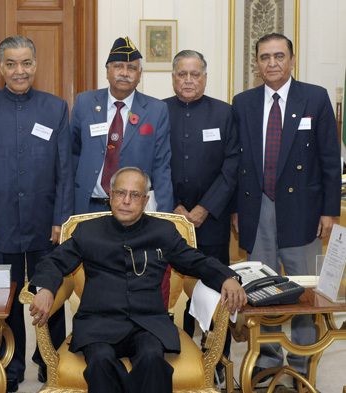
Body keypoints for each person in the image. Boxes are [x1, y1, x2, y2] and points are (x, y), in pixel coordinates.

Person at [29, 167, 247, 393]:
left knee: (152, 358)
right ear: (111, 196)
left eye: (135, 195)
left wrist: (227, 278)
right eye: (121, 193)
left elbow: (196, 261)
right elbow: (54, 261)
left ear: (145, 201)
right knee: (100, 361)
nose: (126, 201)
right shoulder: (88, 231)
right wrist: (45, 288)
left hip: (148, 323)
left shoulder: (163, 231)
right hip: (99, 323)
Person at [0, 35, 74, 392]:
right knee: (3, 300)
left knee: (49, 296)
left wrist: (62, 218)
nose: (19, 70)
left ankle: (49, 363)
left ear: (35, 65)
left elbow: (64, 169)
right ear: (0, 67)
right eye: (11, 63)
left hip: (46, 221)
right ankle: (8, 371)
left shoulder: (55, 107)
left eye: (26, 63)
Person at [232, 33, 341, 382]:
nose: (272, 63)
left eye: (279, 56)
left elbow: (329, 159)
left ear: (292, 60)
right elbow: (236, 162)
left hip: (303, 210)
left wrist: (329, 211)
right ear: (257, 64)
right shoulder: (243, 102)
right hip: (256, 207)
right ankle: (266, 361)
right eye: (264, 57)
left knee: (305, 293)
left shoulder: (315, 97)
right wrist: (235, 209)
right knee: (262, 290)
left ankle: (300, 365)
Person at [164, 49, 238, 380]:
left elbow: (232, 164)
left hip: (212, 220)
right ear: (173, 77)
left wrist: (205, 207)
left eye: (196, 74)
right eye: (182, 74)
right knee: (171, 288)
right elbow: (156, 165)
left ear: (205, 78)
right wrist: (173, 207)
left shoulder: (224, 113)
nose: (189, 80)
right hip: (170, 220)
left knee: (212, 287)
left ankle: (217, 359)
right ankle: (174, 351)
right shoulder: (159, 110)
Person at [71, 36, 173, 214]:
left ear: (139, 75)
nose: (125, 73)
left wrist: (165, 215)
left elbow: (161, 167)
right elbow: (71, 156)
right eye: (118, 66)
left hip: (132, 210)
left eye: (132, 68)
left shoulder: (157, 110)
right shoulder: (84, 102)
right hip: (87, 206)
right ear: (107, 71)